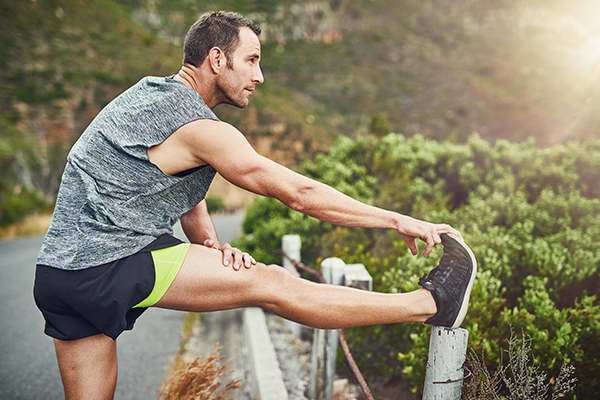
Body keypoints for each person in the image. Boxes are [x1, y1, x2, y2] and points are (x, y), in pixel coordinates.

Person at [34, 11, 477, 400]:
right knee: (272, 284)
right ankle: (431, 304)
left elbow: (181, 191)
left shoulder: (150, 95)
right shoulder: (200, 126)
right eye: (252, 60)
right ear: (216, 59)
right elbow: (298, 194)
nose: (259, 76)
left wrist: (208, 244)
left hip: (57, 276)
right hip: (108, 266)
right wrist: (396, 219)